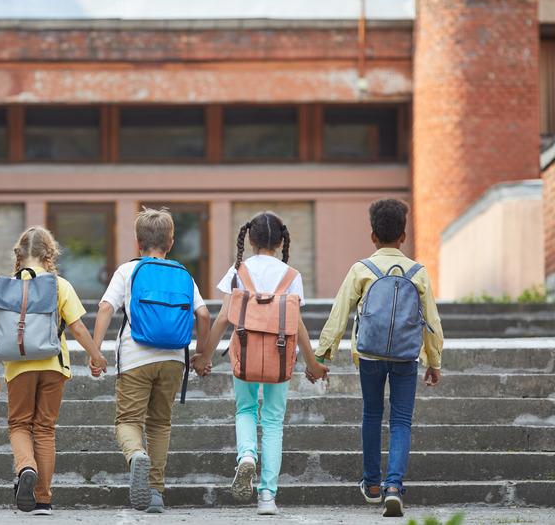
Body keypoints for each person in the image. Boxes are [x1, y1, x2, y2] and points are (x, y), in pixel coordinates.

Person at [192, 211, 328, 515]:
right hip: (280, 356)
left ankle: (246, 456)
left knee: (245, 409)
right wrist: (312, 362)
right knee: (273, 420)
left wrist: (205, 357)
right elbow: (297, 325)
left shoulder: (238, 271)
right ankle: (267, 496)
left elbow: (223, 317)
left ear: (250, 240)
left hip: (245, 352)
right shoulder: (291, 275)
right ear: (280, 242)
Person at [314, 199, 443, 518]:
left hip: (369, 354)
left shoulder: (361, 269)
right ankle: (394, 487)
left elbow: (339, 312)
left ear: (373, 236)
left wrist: (323, 354)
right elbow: (432, 320)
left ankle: (372, 484)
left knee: (372, 414)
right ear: (403, 236)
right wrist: (433, 360)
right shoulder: (418, 273)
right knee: (401, 420)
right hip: (405, 356)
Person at [0, 226, 107, 516]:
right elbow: (77, 327)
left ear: (19, 254)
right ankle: (43, 500)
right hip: (53, 364)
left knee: (19, 425)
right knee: (45, 429)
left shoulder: (5, 287)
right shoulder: (59, 285)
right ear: (49, 253)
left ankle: (26, 467)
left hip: (18, 368)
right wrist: (96, 355)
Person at [92, 207, 211, 513]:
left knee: (128, 421)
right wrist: (203, 355)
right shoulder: (183, 274)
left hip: (135, 356)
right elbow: (203, 314)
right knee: (159, 424)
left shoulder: (128, 270)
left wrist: (96, 351)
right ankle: (155, 492)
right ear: (170, 242)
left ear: (138, 242)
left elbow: (106, 308)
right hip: (174, 359)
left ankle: (136, 455)